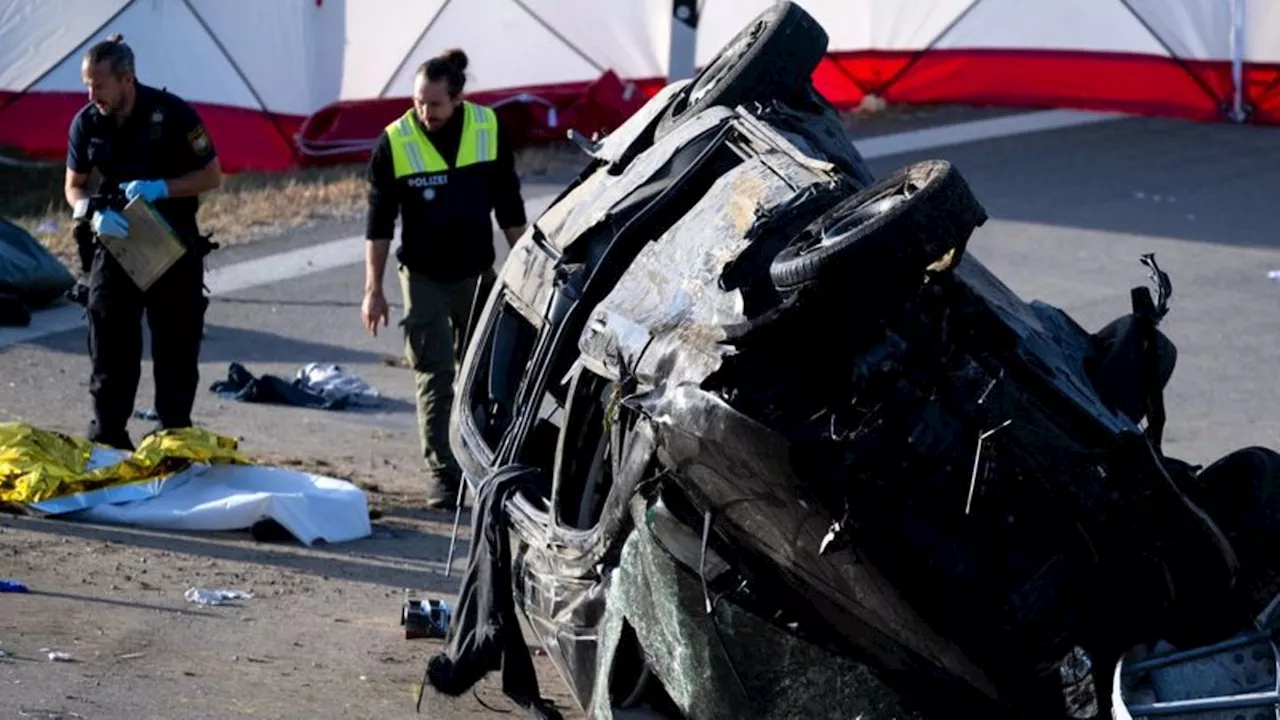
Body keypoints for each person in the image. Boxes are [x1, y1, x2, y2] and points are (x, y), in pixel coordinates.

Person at [361, 48, 527, 510]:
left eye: (433, 104)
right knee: (434, 374)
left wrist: (532, 269)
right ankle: (445, 477)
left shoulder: (488, 129)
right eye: (417, 102)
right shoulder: (393, 142)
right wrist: (373, 290)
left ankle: (484, 462)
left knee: (485, 375)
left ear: (456, 99)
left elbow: (510, 209)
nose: (423, 113)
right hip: (424, 277)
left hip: (476, 275)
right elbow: (378, 226)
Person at [64, 34, 223, 450]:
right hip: (115, 241)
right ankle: (109, 439)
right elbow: (74, 186)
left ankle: (172, 439)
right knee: (109, 343)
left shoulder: (172, 114)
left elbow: (211, 175)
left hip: (171, 242)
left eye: (98, 85)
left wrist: (161, 189)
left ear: (127, 79)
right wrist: (91, 213)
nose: (91, 93)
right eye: (87, 85)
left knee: (175, 347)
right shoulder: (86, 123)